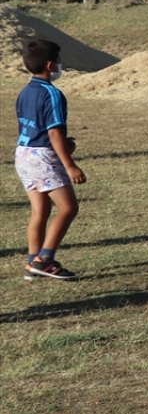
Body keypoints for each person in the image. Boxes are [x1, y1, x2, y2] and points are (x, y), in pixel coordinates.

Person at [14, 40, 86, 281]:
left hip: (24, 153)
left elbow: (35, 128)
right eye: (58, 60)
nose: (60, 64)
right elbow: (53, 132)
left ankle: (32, 261)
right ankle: (45, 260)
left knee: (40, 211)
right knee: (68, 208)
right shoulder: (52, 94)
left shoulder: (24, 92)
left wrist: (62, 142)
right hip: (43, 156)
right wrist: (70, 165)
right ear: (49, 65)